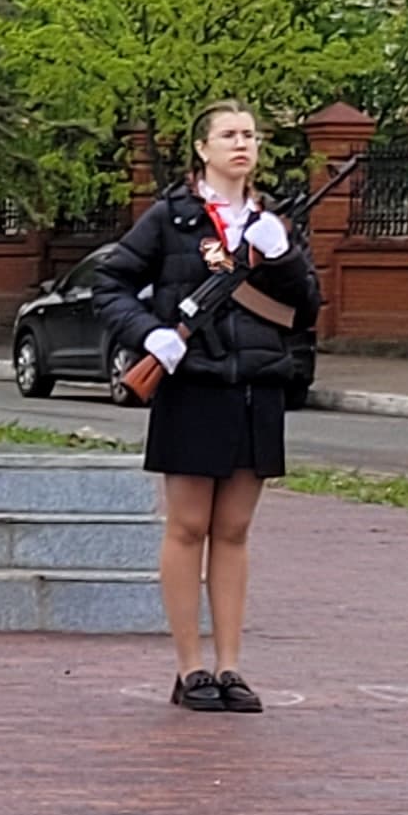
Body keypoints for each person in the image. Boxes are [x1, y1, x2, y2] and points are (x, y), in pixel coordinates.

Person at [90, 99, 319, 713]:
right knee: (189, 526)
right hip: (194, 383)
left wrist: (284, 257)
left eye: (250, 135)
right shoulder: (173, 218)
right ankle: (190, 668)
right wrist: (150, 334)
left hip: (257, 384)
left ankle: (231, 667)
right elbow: (109, 284)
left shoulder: (274, 221)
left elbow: (307, 307)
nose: (241, 144)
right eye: (228, 135)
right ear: (203, 149)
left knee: (235, 530)